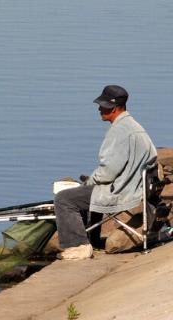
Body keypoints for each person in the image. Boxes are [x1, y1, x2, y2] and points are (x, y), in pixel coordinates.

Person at [54, 85, 157, 260]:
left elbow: (108, 173)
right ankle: (92, 240)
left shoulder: (119, 131)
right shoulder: (135, 126)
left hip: (122, 191)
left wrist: (89, 182)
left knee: (64, 198)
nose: (99, 108)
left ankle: (78, 246)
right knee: (86, 192)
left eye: (102, 105)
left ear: (114, 108)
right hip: (136, 186)